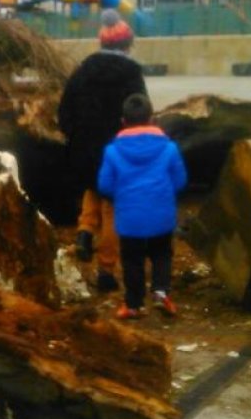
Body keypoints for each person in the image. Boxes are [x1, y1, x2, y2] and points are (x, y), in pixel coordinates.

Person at [58, 46, 147, 292]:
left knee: (93, 186)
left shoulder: (83, 72)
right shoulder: (131, 75)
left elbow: (64, 112)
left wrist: (76, 137)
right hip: (118, 151)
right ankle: (106, 271)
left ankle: (84, 233)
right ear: (127, 46)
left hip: (85, 150)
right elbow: (141, 114)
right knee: (112, 208)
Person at [98, 94, 187, 320]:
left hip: (130, 217)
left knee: (132, 259)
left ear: (123, 122)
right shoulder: (169, 149)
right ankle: (160, 291)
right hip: (161, 213)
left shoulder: (112, 151)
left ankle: (134, 304)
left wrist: (121, 195)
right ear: (152, 119)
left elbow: (104, 184)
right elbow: (180, 180)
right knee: (162, 254)